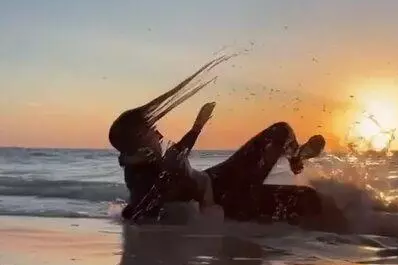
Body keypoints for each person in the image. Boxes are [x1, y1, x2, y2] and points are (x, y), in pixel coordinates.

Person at [108, 76, 345, 230]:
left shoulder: (143, 160)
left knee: (281, 130)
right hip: (227, 199)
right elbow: (166, 174)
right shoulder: (142, 175)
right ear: (138, 141)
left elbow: (174, 163)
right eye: (151, 131)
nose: (158, 134)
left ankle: (296, 155)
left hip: (217, 178)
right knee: (308, 199)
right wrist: (197, 128)